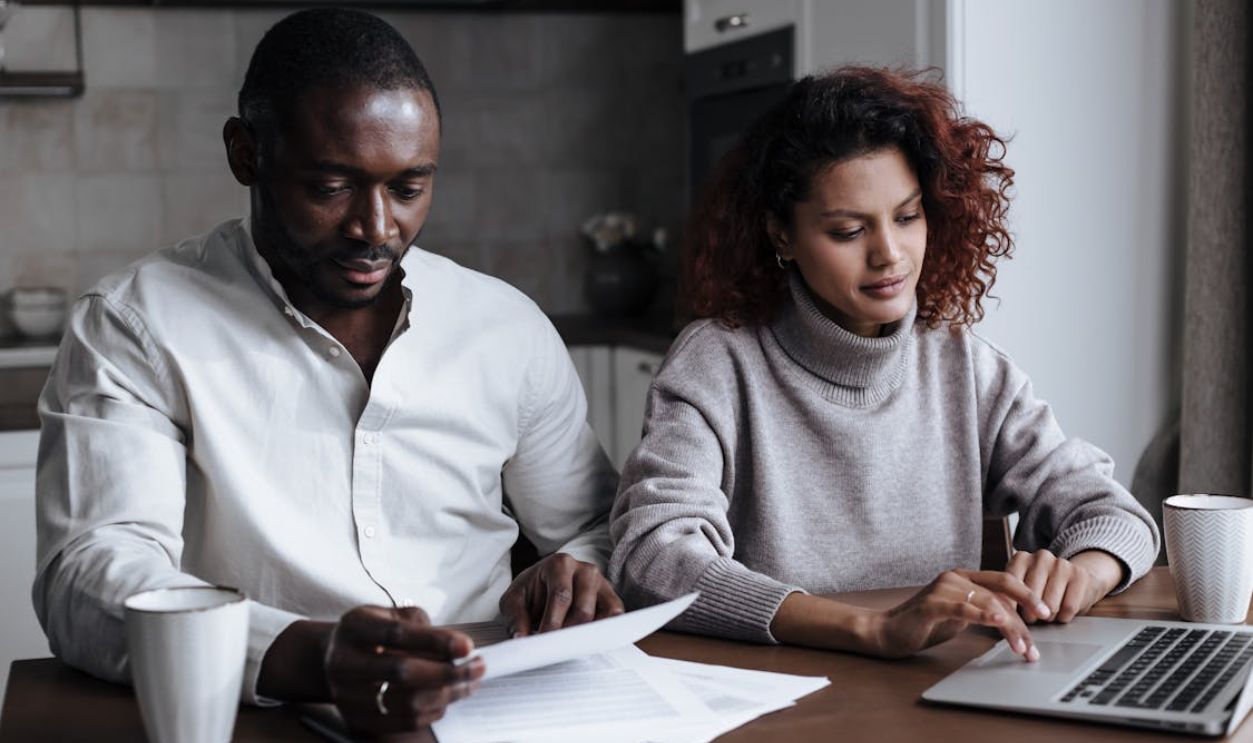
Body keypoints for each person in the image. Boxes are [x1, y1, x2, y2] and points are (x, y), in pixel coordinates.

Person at [33, 8, 622, 736]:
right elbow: (89, 576)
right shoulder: (136, 325)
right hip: (265, 716)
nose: (376, 229)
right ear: (246, 154)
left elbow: (592, 524)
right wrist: (310, 656)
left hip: (503, 712)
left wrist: (577, 571)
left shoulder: (504, 327)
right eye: (331, 186)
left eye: (408, 188)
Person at [609, 67, 1160, 663]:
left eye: (907, 216)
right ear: (782, 236)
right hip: (779, 699)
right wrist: (871, 630)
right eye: (848, 230)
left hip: (931, 698)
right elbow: (654, 557)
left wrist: (1085, 572)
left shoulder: (964, 366)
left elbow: (1112, 513)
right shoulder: (717, 363)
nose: (889, 255)